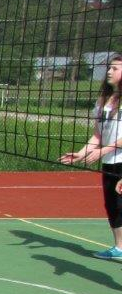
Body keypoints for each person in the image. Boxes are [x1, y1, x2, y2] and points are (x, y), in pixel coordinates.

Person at [59, 52, 122, 261]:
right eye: (109, 68)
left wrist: (103, 150)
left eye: (115, 68)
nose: (109, 71)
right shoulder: (103, 100)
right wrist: (81, 153)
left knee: (120, 204)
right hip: (109, 162)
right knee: (111, 205)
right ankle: (119, 248)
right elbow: (97, 135)